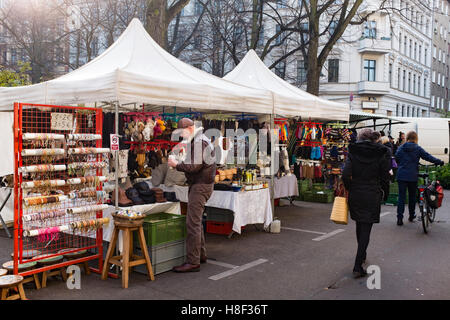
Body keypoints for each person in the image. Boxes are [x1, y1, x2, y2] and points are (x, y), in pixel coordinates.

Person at [168, 118, 216, 272]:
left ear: (189, 128)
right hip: (202, 185)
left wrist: (176, 165)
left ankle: (193, 261)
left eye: (182, 132)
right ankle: (200, 255)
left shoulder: (199, 142)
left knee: (192, 223)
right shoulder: (201, 139)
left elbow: (194, 166)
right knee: (196, 221)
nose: (181, 135)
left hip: (200, 186)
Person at [343, 129, 391, 278]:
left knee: (359, 224)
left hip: (356, 192)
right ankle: (358, 264)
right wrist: (385, 193)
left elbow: (345, 174)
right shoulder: (381, 153)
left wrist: (350, 187)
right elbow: (385, 177)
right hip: (372, 192)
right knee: (366, 228)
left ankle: (362, 255)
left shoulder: (354, 152)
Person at [394, 131, 444, 226]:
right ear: (416, 138)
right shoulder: (417, 148)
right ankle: (411, 215)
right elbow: (428, 157)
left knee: (401, 197)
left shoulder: (401, 148)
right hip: (412, 175)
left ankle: (399, 218)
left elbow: (397, 158)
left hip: (401, 175)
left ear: (407, 138)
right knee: (412, 196)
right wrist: (439, 161)